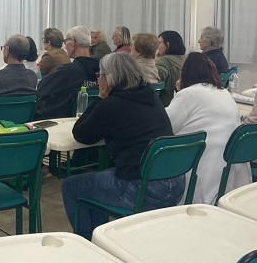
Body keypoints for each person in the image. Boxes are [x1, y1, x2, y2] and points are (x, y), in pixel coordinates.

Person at [62, 53, 184, 239]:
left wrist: (101, 97)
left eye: (100, 75)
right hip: (174, 183)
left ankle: (88, 243)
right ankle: (100, 239)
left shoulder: (111, 104)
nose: (98, 78)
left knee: (71, 186)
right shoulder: (150, 94)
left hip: (143, 189)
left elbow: (81, 133)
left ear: (107, 78)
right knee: (95, 185)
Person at [165, 53, 251, 205]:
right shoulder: (223, 92)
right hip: (230, 172)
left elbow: (166, 125)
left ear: (185, 73)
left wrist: (178, 92)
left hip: (201, 169)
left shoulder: (188, 95)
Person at [36, 26, 99, 119]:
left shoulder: (70, 71)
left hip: (60, 119)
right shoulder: (100, 69)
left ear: (73, 41)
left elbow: (41, 88)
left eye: (66, 42)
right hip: (88, 119)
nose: (65, 46)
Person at [155, 30, 186, 106]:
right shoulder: (185, 59)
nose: (157, 47)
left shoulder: (165, 60)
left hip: (165, 104)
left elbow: (158, 77)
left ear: (167, 45)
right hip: (182, 102)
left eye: (159, 43)